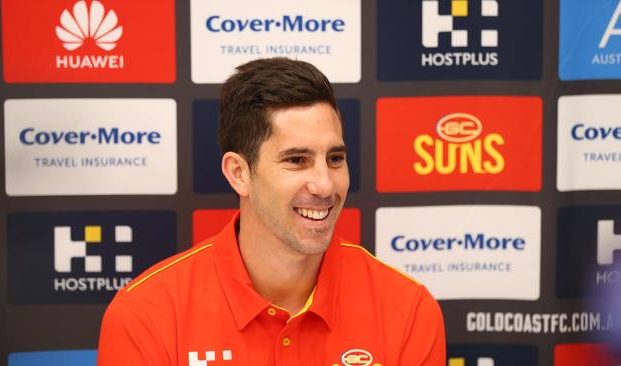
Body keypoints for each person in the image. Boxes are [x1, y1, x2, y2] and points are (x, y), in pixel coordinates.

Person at [97, 57, 445, 366]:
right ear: (239, 173)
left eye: (335, 159)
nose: (325, 185)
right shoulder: (146, 313)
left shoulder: (407, 308)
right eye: (297, 160)